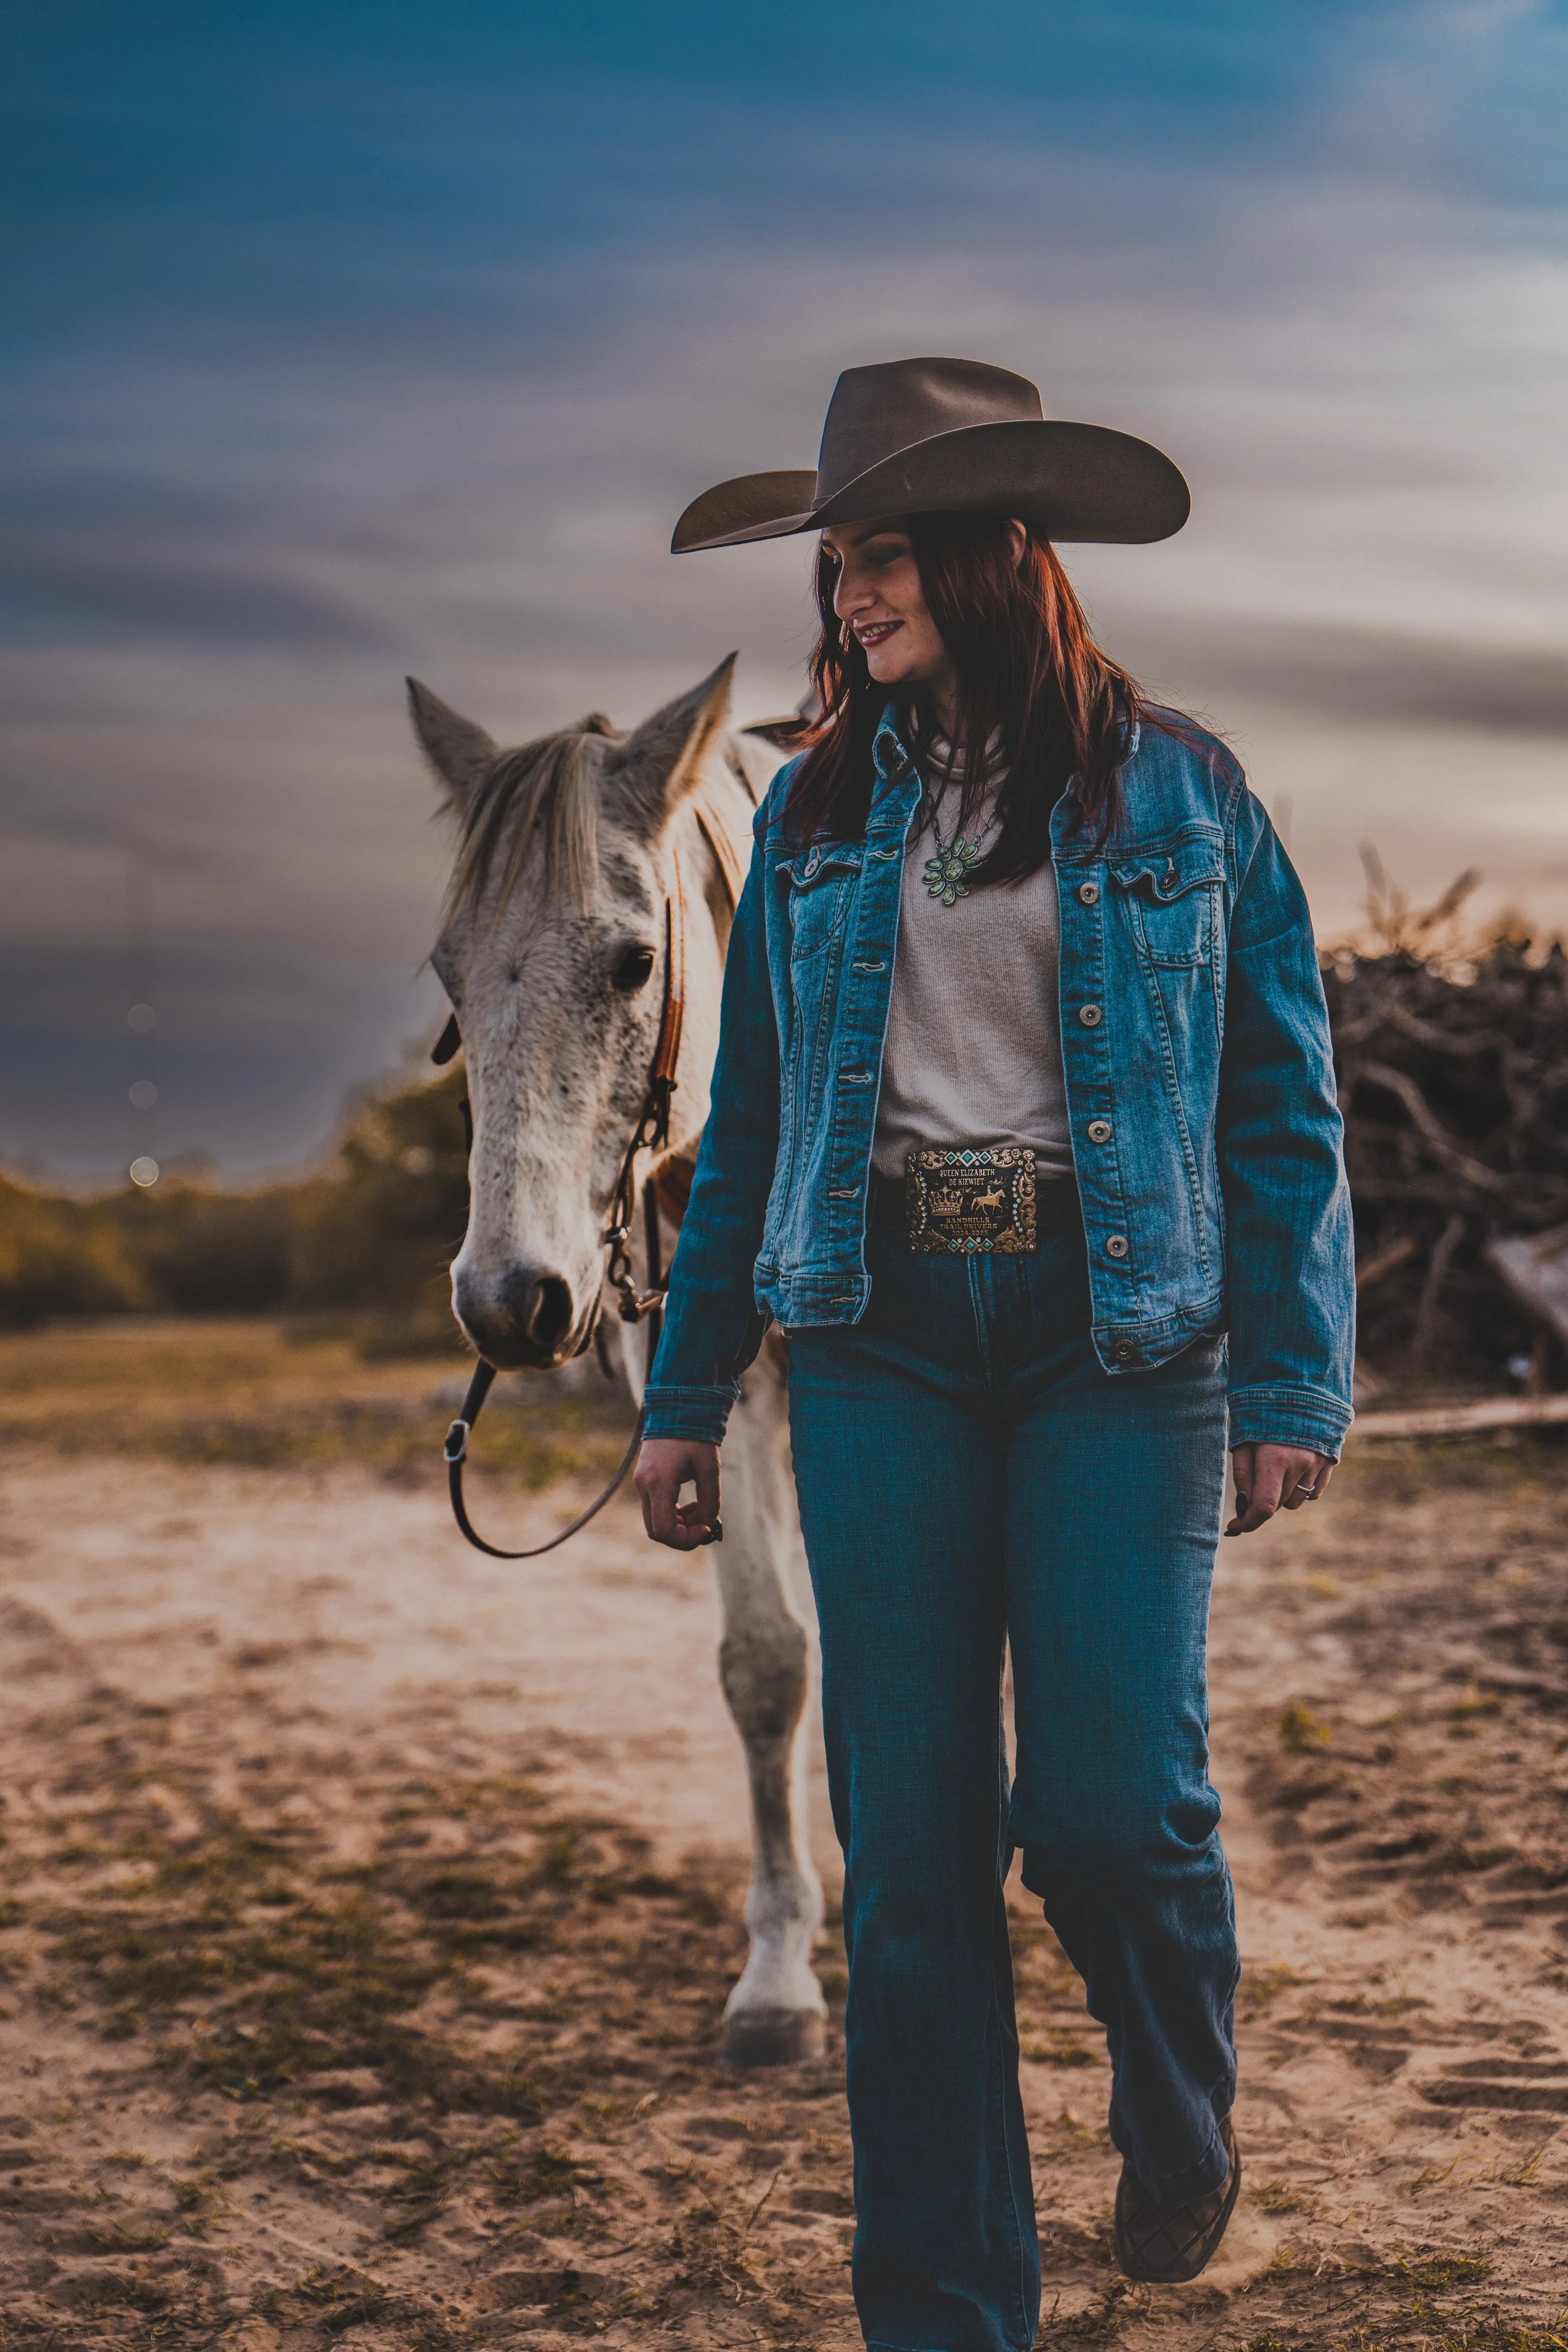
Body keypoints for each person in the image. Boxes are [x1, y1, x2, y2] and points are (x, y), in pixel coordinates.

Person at [635, 356, 1354, 2352]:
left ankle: (1174, 2101)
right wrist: (686, 1395)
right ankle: (947, 2314)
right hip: (874, 1349)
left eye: (874, 560)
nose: (845, 598)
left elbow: (1278, 1105)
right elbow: (755, 1127)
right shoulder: (814, 806)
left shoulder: (1183, 786)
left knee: (1114, 1812)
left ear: (981, 555)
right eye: (834, 569)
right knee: (915, 1855)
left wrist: (1292, 1378)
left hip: (1120, 1344)